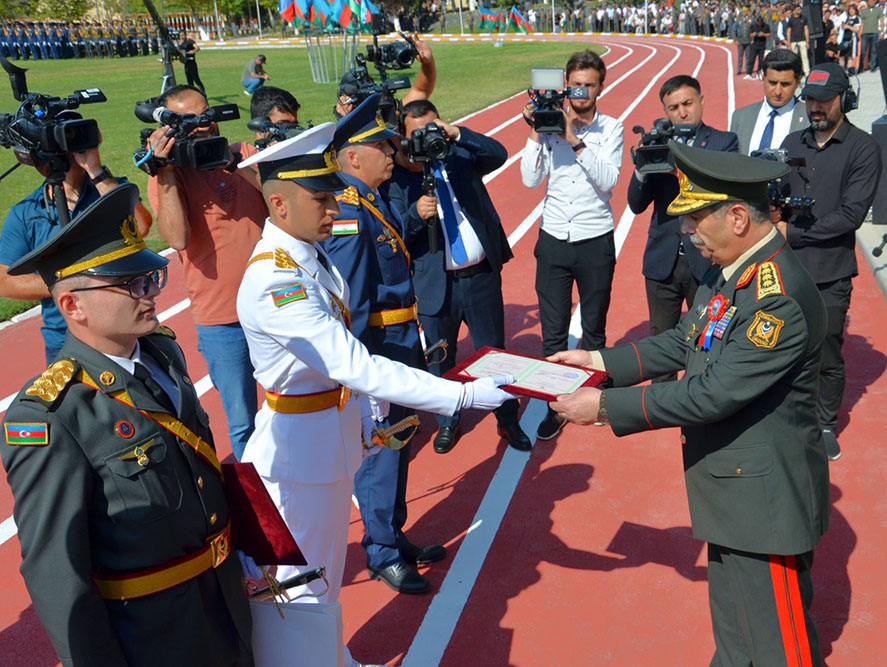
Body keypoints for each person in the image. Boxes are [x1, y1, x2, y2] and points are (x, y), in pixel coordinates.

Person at [235, 123, 514, 667]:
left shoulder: (306, 255)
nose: (333, 207)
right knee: (300, 588)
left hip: (324, 440)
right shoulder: (275, 280)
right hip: (299, 457)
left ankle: (334, 659)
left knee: (321, 581)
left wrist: (366, 422)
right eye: (320, 199)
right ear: (279, 204)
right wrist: (458, 396)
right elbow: (353, 364)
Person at [549, 141, 830, 666]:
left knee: (778, 649)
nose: (687, 231)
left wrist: (605, 407)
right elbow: (686, 340)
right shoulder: (732, 270)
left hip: (763, 503)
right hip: (733, 492)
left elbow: (712, 392)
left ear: (738, 218)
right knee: (737, 640)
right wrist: (599, 361)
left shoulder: (776, 299)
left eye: (697, 219)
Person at [0, 184, 253, 667]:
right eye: (131, 285)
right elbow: (58, 574)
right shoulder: (51, 414)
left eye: (150, 277)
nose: (152, 293)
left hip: (224, 604)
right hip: (154, 638)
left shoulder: (162, 352)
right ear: (72, 306)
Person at [387, 98, 530, 454]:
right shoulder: (397, 181)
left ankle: (508, 419)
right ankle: (448, 422)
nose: (427, 138)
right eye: (417, 134)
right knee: (441, 358)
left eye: (432, 127)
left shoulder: (459, 155)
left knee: (494, 353)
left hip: (480, 277)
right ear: (403, 139)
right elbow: (392, 235)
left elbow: (498, 154)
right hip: (436, 286)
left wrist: (457, 133)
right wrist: (416, 215)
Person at [145, 84, 266, 461]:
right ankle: (258, 492)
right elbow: (177, 238)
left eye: (205, 116)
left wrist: (233, 163)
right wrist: (166, 170)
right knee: (243, 421)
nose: (202, 126)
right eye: (188, 122)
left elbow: (284, 203)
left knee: (296, 400)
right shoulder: (168, 177)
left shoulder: (244, 152)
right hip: (221, 319)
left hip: (274, 302)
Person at [775, 63, 882, 460]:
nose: (815, 107)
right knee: (779, 346)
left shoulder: (864, 148)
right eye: (809, 100)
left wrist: (792, 233)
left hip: (830, 274)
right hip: (785, 269)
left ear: (845, 100)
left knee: (826, 353)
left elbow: (851, 215)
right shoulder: (791, 142)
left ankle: (824, 425)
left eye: (823, 100)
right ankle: (784, 417)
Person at [519, 49, 623, 441]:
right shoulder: (547, 125)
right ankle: (556, 405)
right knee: (553, 333)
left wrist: (574, 140)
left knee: (594, 327)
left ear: (600, 87)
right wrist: (536, 130)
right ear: (565, 85)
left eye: (588, 85)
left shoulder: (611, 128)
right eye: (574, 85)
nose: (580, 92)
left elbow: (608, 181)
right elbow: (529, 180)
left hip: (595, 239)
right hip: (554, 239)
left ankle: (593, 398)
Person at [0, 114, 152, 365]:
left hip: (124, 326)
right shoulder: (27, 212)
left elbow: (142, 226)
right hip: (65, 339)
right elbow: (5, 282)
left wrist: (96, 171)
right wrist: (73, 282)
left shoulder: (109, 190)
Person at [628, 74, 738, 385]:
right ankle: (660, 402)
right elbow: (636, 204)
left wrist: (677, 162)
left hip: (707, 260)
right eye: (673, 108)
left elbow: (721, 190)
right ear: (665, 112)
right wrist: (642, 165)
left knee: (707, 344)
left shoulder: (724, 142)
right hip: (662, 261)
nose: (682, 112)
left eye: (687, 103)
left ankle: (700, 401)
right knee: (660, 345)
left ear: (701, 101)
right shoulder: (657, 145)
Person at [334, 32, 437, 120]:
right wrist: (344, 116)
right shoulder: (351, 126)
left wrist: (428, 62)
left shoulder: (393, 114)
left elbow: (421, 90)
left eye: (371, 85)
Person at [730, 49, 808, 155]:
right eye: (772, 83)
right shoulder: (740, 117)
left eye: (785, 84)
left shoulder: (809, 119)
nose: (778, 91)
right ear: (763, 78)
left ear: (798, 82)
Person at [859, 0, 884, 71]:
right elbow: (861, 23)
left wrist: (882, 32)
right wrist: (860, 33)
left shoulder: (878, 10)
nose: (871, 2)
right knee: (863, 50)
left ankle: (872, 66)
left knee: (874, 50)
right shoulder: (863, 11)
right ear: (867, 2)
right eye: (869, 1)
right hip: (865, 33)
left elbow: (882, 21)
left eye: (872, 1)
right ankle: (862, 66)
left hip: (874, 32)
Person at [787, 4, 810, 75]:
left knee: (804, 57)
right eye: (797, 9)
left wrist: (807, 41)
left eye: (800, 9)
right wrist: (788, 42)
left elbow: (806, 29)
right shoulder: (791, 20)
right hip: (793, 41)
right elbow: (788, 31)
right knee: (794, 58)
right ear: (794, 11)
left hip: (802, 40)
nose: (799, 10)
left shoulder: (804, 18)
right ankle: (794, 72)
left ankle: (806, 72)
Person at [747, 13, 771, 78]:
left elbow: (769, 34)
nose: (759, 24)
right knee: (751, 59)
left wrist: (763, 34)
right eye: (758, 23)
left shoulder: (766, 26)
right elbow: (750, 34)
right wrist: (754, 34)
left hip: (762, 45)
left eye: (760, 23)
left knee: (760, 60)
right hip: (755, 44)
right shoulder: (754, 25)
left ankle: (758, 73)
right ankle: (749, 73)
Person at [735, 6, 754, 77]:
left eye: (745, 11)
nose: (744, 13)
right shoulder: (738, 20)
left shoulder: (751, 19)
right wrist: (736, 39)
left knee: (748, 56)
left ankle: (748, 69)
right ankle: (739, 70)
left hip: (748, 40)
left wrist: (752, 39)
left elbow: (753, 30)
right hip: (740, 40)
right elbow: (734, 30)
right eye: (743, 11)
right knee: (740, 56)